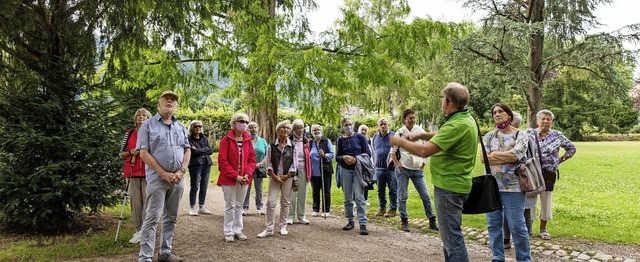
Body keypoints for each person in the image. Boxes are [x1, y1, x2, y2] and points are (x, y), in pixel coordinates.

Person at [390, 82, 477, 262]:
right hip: (455, 185)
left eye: (442, 99)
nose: (441, 102)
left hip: (449, 188)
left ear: (448, 101)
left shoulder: (456, 125)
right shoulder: (464, 119)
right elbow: (444, 135)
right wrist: (422, 136)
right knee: (450, 238)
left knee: (452, 239)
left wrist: (398, 140)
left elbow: (424, 151)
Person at [137, 91, 190, 262]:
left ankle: (165, 253)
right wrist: (163, 173)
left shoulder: (180, 126)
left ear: (176, 106)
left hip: (177, 179)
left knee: (171, 217)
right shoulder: (148, 125)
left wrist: (181, 171)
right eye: (166, 99)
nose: (170, 101)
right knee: (152, 218)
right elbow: (143, 153)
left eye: (173, 100)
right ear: (159, 104)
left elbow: (187, 150)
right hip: (157, 179)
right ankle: (145, 257)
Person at [482, 103, 531, 262]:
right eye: (494, 112)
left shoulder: (521, 135)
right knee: (493, 226)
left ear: (509, 115)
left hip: (514, 187)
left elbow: (516, 156)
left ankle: (524, 259)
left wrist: (494, 155)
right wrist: (507, 155)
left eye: (501, 111)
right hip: (492, 187)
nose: (497, 114)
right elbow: (483, 159)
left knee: (517, 227)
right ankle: (497, 257)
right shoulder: (489, 136)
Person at [529, 109, 576, 241]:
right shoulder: (529, 133)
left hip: (549, 173)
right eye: (543, 118)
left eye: (548, 119)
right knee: (530, 200)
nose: (545, 121)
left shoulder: (557, 135)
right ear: (537, 120)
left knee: (546, 200)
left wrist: (559, 160)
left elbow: (572, 148)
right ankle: (528, 227)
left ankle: (543, 229)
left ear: (552, 122)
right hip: (532, 172)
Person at [389, 109, 438, 232]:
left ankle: (432, 220)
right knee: (402, 196)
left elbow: (427, 148)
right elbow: (392, 152)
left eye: (414, 117)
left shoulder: (419, 131)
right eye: (409, 118)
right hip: (403, 169)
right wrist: (398, 165)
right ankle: (404, 220)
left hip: (417, 170)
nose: (412, 120)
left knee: (425, 195)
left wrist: (423, 164)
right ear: (404, 119)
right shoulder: (400, 133)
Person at [217, 113, 256, 243]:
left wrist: (247, 174)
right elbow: (223, 161)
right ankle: (228, 231)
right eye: (241, 121)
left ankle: (238, 230)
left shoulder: (248, 140)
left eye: (246, 121)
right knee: (230, 205)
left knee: (239, 205)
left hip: (244, 178)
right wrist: (235, 176)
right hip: (229, 179)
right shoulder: (225, 140)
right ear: (234, 123)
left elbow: (252, 159)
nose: (244, 124)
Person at [257, 120, 297, 238]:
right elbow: (268, 162)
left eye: (288, 128)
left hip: (287, 177)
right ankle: (269, 228)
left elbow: (294, 163)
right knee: (270, 202)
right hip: (274, 177)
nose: (285, 130)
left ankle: (283, 226)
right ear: (278, 130)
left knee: (285, 201)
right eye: (283, 127)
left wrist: (288, 175)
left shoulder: (292, 146)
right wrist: (273, 175)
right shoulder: (272, 145)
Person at [502, 112, 535, 249]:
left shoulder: (523, 137)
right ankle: (506, 238)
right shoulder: (501, 136)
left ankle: (524, 240)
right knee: (506, 209)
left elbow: (525, 156)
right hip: (505, 180)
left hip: (522, 178)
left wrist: (508, 157)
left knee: (525, 209)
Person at [119, 108, 151, 244]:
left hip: (148, 172)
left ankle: (145, 231)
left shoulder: (152, 133)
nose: (141, 117)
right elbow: (121, 154)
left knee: (147, 203)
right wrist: (131, 152)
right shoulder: (129, 133)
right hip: (132, 173)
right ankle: (138, 230)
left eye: (144, 115)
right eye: (139, 115)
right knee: (135, 203)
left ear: (149, 118)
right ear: (135, 119)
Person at [336, 117, 372, 235]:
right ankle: (350, 220)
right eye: (346, 124)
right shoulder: (340, 140)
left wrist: (356, 159)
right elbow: (338, 157)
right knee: (347, 197)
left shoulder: (360, 137)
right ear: (342, 126)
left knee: (359, 197)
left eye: (350, 124)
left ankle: (362, 223)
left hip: (358, 169)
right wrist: (344, 158)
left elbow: (367, 153)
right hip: (345, 170)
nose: (348, 126)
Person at [371, 118, 397, 217]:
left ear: (388, 124)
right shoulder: (375, 137)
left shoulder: (393, 135)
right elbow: (373, 151)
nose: (383, 126)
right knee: (380, 190)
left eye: (384, 124)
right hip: (378, 167)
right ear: (379, 125)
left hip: (391, 168)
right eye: (381, 124)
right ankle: (382, 208)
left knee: (393, 189)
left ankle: (393, 208)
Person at [287, 119, 312, 225]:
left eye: (302, 127)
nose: (300, 130)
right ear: (294, 129)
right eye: (298, 128)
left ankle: (301, 216)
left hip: (303, 169)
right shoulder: (288, 140)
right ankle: (290, 216)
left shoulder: (306, 141)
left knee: (303, 193)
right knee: (291, 194)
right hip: (291, 170)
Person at [187, 120, 213, 216]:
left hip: (206, 164)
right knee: (194, 186)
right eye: (195, 126)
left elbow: (210, 150)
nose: (198, 128)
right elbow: (193, 152)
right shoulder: (189, 139)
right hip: (196, 165)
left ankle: (201, 206)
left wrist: (199, 150)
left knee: (204, 186)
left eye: (199, 126)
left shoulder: (204, 138)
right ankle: (192, 207)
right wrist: (203, 150)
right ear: (191, 128)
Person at [243, 122, 269, 215]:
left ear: (258, 129)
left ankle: (260, 207)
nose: (253, 129)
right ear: (247, 129)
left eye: (255, 127)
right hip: (247, 168)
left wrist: (261, 163)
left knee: (259, 188)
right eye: (251, 127)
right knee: (246, 188)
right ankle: (244, 208)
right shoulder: (245, 140)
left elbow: (267, 155)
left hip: (260, 168)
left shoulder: (263, 141)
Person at [309, 124, 334, 218]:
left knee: (326, 190)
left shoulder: (326, 141)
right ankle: (315, 209)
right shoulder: (311, 142)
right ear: (311, 132)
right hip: (314, 170)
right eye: (314, 130)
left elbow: (332, 154)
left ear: (321, 130)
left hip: (325, 170)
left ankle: (326, 210)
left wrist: (324, 155)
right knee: (315, 191)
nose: (316, 132)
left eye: (318, 130)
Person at [357, 124, 372, 206]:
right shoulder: (356, 139)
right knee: (357, 182)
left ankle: (365, 199)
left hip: (366, 164)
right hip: (358, 163)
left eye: (365, 130)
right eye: (362, 130)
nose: (363, 131)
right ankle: (356, 200)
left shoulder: (369, 140)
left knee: (366, 181)